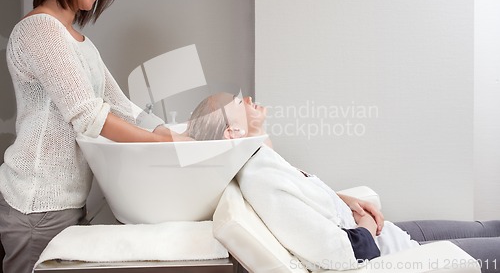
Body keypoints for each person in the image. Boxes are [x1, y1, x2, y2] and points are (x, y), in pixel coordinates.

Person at [0, 0, 185, 272]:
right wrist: (165, 143)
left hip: (66, 204)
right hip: (37, 205)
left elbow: (122, 107)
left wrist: (173, 132)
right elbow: (88, 115)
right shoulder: (38, 29)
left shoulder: (79, 42)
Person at [186, 92, 500, 272]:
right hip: (393, 255)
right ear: (233, 133)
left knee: (491, 228)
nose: (248, 98)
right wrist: (362, 223)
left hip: (389, 236)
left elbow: (304, 198)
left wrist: (344, 200)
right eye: (238, 102)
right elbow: (340, 254)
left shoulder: (263, 163)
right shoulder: (261, 179)